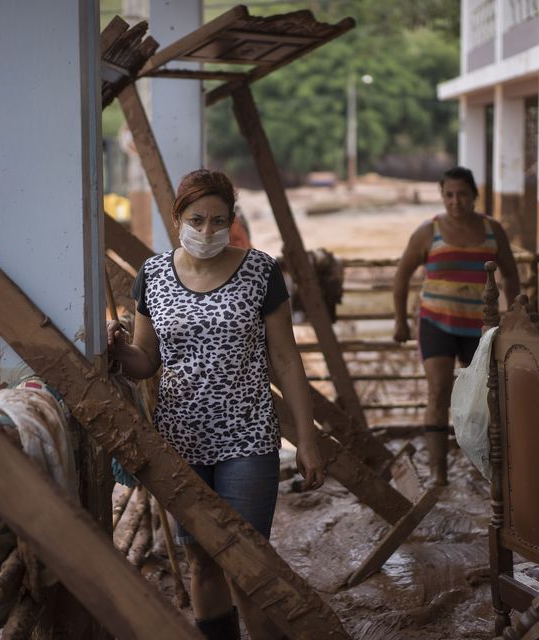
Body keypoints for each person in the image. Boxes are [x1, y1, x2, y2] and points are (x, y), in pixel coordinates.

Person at [107, 169, 324, 640]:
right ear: (178, 217)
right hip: (179, 441)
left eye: (219, 220)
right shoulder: (154, 275)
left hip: (248, 437)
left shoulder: (261, 271)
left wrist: (307, 440)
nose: (208, 231)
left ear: (232, 220)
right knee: (201, 560)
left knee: (248, 563)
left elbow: (287, 361)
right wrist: (118, 350)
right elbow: (146, 360)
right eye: (198, 219)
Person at [392, 166, 520, 486]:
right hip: (437, 323)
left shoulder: (492, 231)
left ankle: (486, 470)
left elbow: (512, 274)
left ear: (475, 195)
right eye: (448, 195)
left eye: (462, 194)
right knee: (438, 393)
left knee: (485, 398)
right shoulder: (428, 231)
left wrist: (517, 317)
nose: (455, 201)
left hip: (480, 329)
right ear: (442, 196)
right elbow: (402, 274)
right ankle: (439, 474)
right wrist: (399, 320)